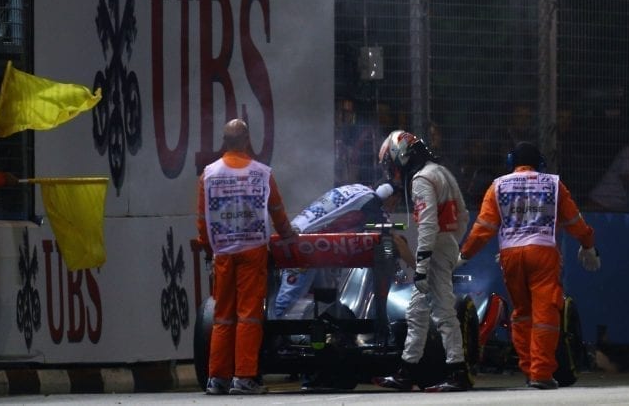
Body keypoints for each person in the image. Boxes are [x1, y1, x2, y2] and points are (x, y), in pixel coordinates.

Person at [458, 141, 600, 390]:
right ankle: (541, 373)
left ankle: (528, 369)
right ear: (540, 164)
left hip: (510, 256)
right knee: (545, 313)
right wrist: (588, 245)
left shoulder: (498, 185)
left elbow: (484, 227)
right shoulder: (554, 184)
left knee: (522, 312)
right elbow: (575, 221)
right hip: (543, 252)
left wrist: (465, 254)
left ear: (512, 162)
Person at [196, 118, 298, 395]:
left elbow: (203, 219)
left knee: (223, 316)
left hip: (223, 253)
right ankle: (244, 377)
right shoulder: (261, 174)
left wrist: (208, 246)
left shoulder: (209, 174)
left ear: (224, 142)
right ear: (246, 141)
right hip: (253, 251)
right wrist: (289, 234)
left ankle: (216, 378)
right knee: (249, 316)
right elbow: (276, 210)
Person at [372, 130, 472, 392]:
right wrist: (452, 244)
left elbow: (428, 225)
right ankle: (407, 371)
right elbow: (463, 215)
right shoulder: (441, 172)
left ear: (400, 156)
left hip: (434, 250)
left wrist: (423, 264)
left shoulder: (421, 180)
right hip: (445, 245)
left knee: (443, 313)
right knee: (416, 312)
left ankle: (457, 371)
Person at [272, 182, 413, 320]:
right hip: (302, 243)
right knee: (288, 300)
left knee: (327, 298)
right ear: (387, 194)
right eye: (394, 203)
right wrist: (419, 270)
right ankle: (274, 338)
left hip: (312, 244)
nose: (393, 209)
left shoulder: (358, 191)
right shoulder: (370, 201)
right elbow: (395, 240)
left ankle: (314, 336)